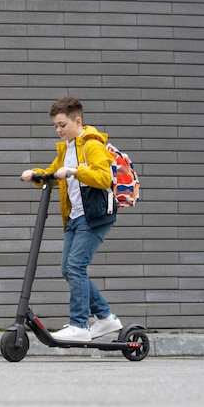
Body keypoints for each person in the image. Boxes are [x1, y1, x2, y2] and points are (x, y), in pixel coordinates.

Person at [20, 96, 123, 342]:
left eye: (62, 125)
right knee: (68, 269)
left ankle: (79, 325)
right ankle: (106, 318)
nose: (58, 130)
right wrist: (36, 174)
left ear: (78, 121)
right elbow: (53, 172)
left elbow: (102, 178)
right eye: (55, 126)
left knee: (76, 267)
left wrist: (76, 171)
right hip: (75, 217)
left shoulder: (91, 144)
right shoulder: (66, 148)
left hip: (94, 216)